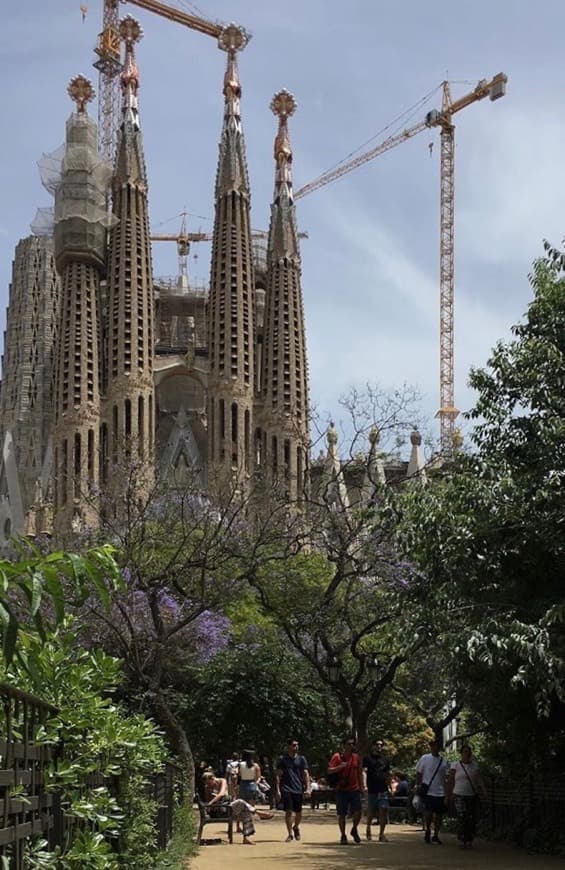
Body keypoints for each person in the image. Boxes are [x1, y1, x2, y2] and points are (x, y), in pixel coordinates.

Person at [202, 771, 273, 845]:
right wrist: (211, 801)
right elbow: (209, 802)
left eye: (209, 783)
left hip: (227, 808)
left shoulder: (222, 781)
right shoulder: (207, 788)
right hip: (219, 811)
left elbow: (221, 793)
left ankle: (246, 838)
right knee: (240, 802)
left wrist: (213, 800)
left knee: (245, 811)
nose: (208, 785)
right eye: (207, 784)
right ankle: (258, 812)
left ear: (213, 778)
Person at [447, 744, 488, 849]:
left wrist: (484, 791)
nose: (467, 754)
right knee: (462, 817)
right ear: (461, 753)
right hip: (459, 794)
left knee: (471, 818)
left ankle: (469, 839)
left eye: (468, 752)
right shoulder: (455, 765)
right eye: (465, 752)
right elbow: (451, 780)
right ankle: (462, 839)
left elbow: (479, 779)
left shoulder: (474, 765)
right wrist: (449, 793)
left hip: (471, 795)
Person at [328, 736, 364, 845]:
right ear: (343, 745)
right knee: (341, 814)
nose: (351, 746)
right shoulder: (337, 757)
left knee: (358, 812)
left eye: (353, 744)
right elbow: (329, 770)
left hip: (354, 789)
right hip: (341, 790)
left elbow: (359, 772)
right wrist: (339, 767)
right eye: (349, 744)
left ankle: (354, 829)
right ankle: (343, 835)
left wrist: (362, 786)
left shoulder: (356, 757)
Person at [415, 738, 450, 845]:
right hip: (428, 790)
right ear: (430, 746)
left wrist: (447, 793)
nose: (435, 747)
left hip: (440, 791)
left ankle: (436, 834)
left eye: (436, 745)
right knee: (428, 813)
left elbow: (446, 778)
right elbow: (418, 773)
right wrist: (419, 785)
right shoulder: (425, 758)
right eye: (433, 745)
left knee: (439, 815)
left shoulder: (444, 762)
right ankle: (428, 831)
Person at [275, 737, 310, 842]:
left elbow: (305, 774)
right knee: (289, 811)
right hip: (286, 788)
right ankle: (290, 833)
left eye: (297, 745)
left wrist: (308, 787)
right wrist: (278, 790)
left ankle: (296, 827)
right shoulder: (283, 760)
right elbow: (278, 775)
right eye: (294, 745)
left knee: (299, 812)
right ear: (288, 746)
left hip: (298, 788)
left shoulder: (301, 759)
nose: (296, 747)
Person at [362, 737, 392, 842]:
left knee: (383, 811)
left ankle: (381, 834)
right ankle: (368, 828)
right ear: (373, 746)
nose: (379, 746)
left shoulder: (386, 759)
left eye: (381, 745)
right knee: (371, 812)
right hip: (372, 789)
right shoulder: (367, 759)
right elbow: (364, 772)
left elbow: (388, 774)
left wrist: (390, 787)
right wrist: (365, 785)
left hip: (383, 789)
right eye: (377, 744)